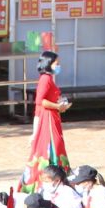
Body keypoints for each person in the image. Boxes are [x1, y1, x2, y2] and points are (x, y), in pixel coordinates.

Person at [22, 51, 70, 189]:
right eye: (57, 63)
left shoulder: (47, 78)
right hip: (48, 118)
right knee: (53, 146)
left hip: (50, 117)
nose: (59, 65)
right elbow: (40, 101)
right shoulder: (46, 79)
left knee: (51, 145)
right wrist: (58, 106)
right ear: (49, 64)